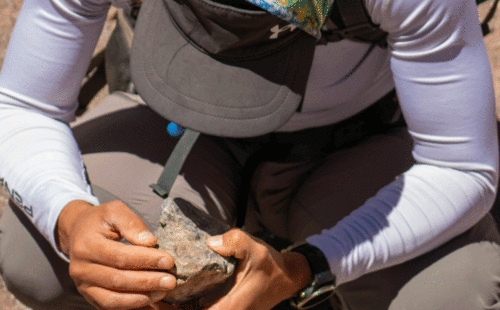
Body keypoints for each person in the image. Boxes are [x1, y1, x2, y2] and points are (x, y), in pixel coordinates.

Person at [0, 0, 499, 309]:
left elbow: (460, 168)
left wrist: (307, 267)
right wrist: (69, 216)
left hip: (351, 142)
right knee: (36, 255)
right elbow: (22, 106)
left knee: (453, 295)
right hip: (174, 125)